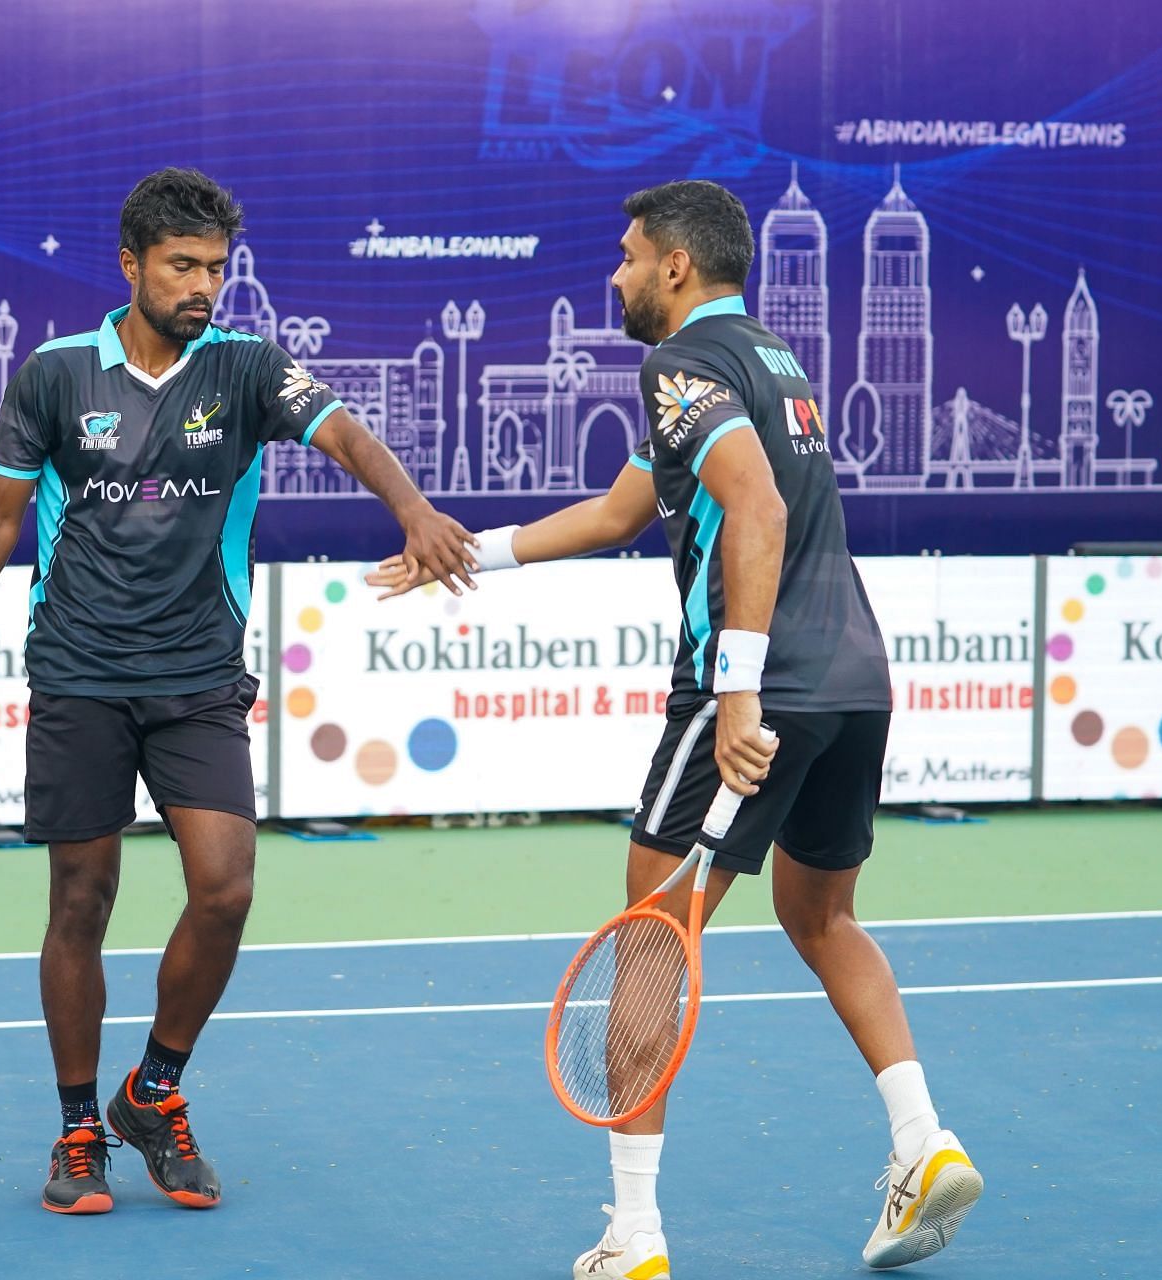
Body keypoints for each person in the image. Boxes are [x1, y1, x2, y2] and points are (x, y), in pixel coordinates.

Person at [369, 180, 981, 1276]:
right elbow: (621, 511)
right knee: (822, 913)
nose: (614, 274)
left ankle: (634, 1236)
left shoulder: (680, 363)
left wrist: (738, 690)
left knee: (648, 945)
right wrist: (471, 551)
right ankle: (921, 1140)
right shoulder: (771, 362)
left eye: (626, 255)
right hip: (852, 680)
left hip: (753, 688)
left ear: (676, 269)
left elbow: (759, 508)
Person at [0, 167, 476, 1217]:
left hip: (200, 676)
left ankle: (152, 1091)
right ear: (130, 265)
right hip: (78, 672)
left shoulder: (248, 369)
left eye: (216, 267)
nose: (204, 285)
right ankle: (79, 1125)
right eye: (183, 266)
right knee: (81, 897)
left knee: (225, 885)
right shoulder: (55, 375)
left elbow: (345, 430)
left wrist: (414, 509)